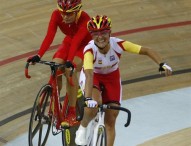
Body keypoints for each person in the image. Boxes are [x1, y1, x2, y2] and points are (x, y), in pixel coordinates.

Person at [75, 15, 172, 146]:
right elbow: (89, 74)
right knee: (95, 103)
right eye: (96, 34)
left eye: (103, 32)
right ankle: (83, 127)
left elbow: (147, 50)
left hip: (112, 77)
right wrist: (87, 99)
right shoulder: (89, 50)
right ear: (91, 36)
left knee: (111, 119)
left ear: (109, 32)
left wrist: (162, 63)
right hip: (94, 76)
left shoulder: (119, 44)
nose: (100, 37)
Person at [27, 0, 92, 126]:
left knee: (69, 70)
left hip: (83, 45)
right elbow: (50, 35)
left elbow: (77, 41)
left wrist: (69, 61)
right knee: (55, 67)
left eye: (69, 14)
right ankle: (53, 102)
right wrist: (39, 55)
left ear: (77, 11)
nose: (64, 17)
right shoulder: (56, 14)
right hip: (69, 41)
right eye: (62, 13)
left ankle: (72, 112)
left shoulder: (85, 19)